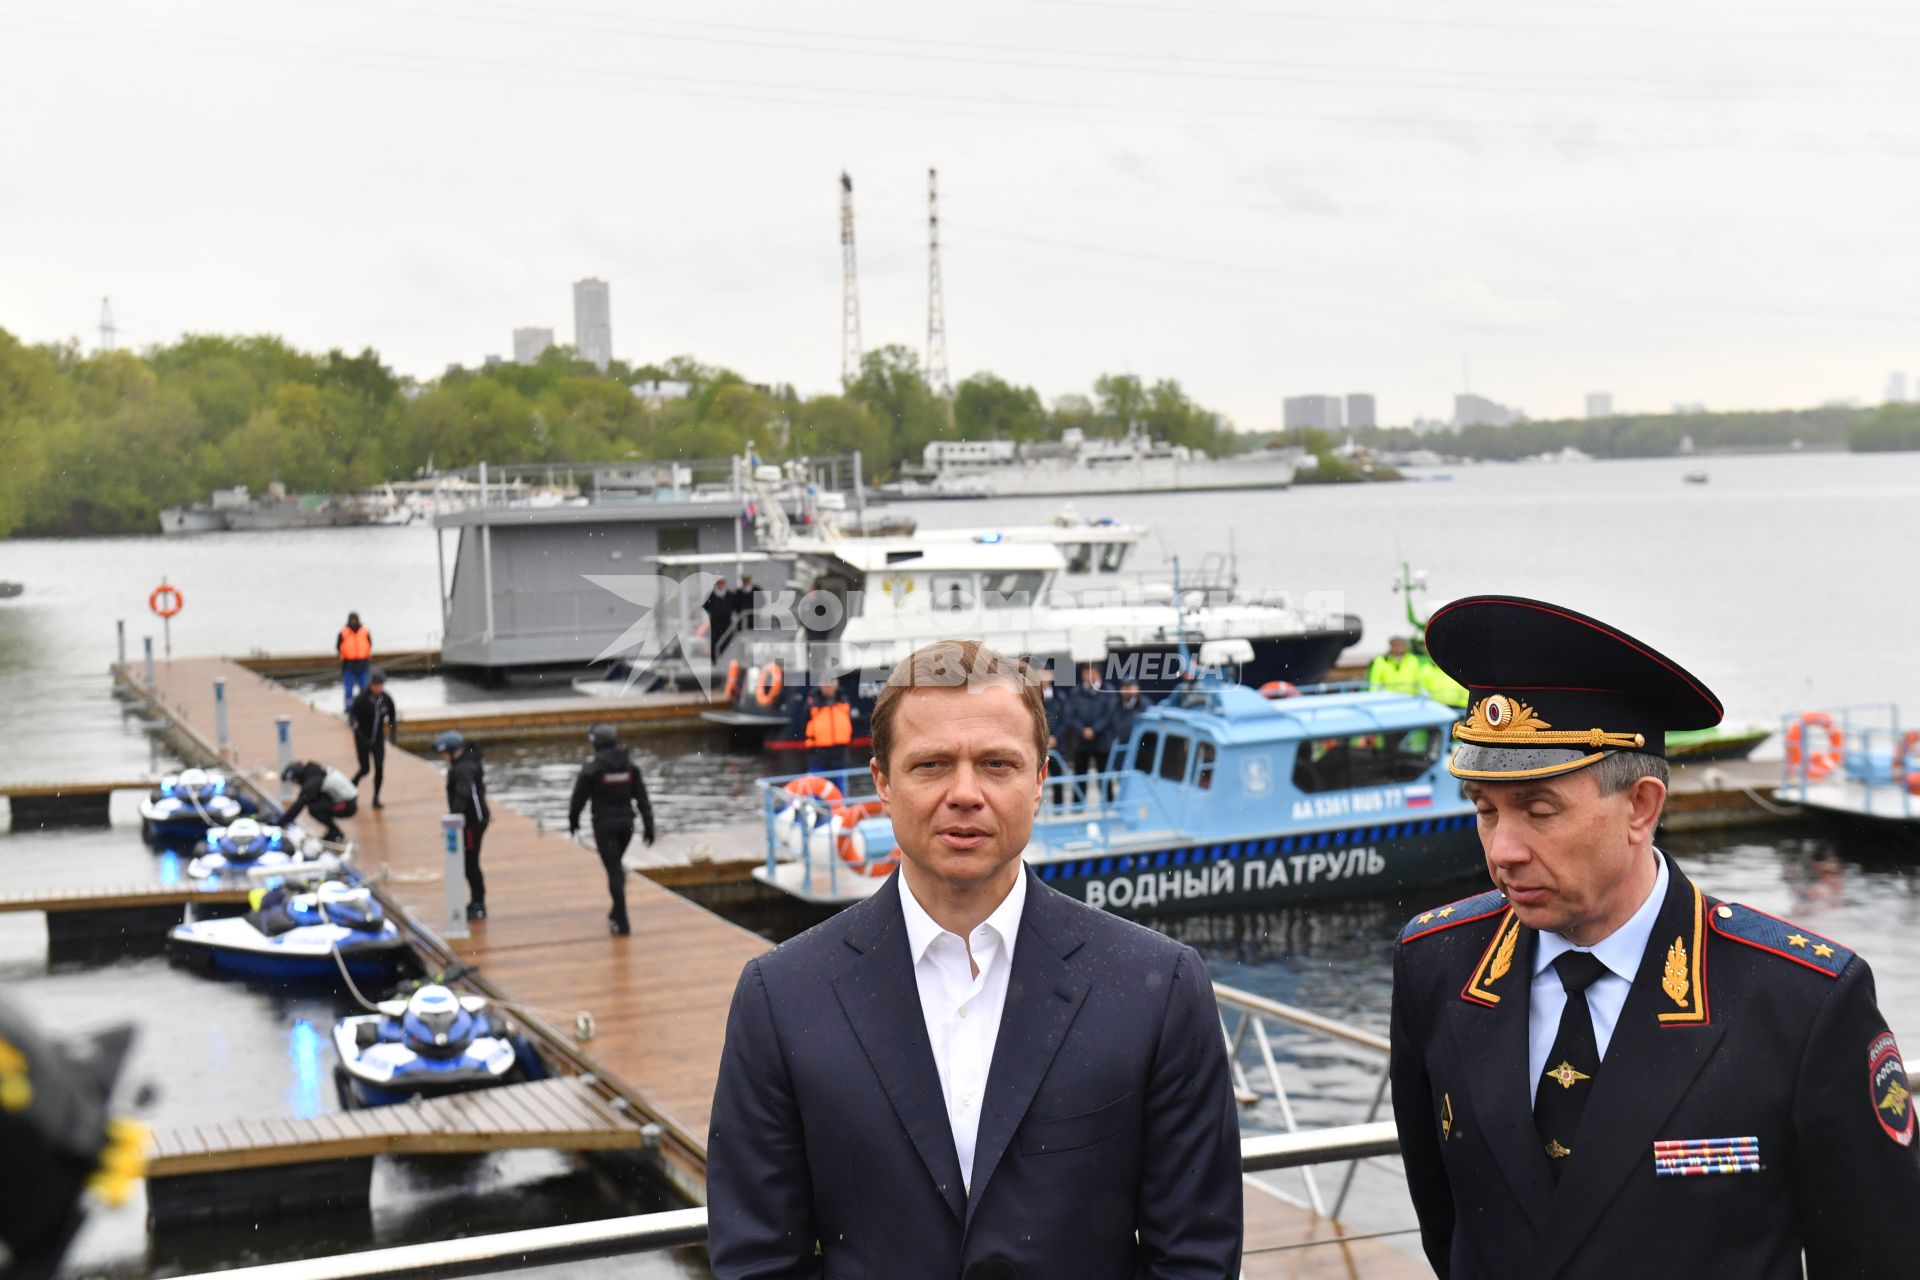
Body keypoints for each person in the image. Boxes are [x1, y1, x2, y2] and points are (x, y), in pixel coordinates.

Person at [1390, 595, 1919, 1279]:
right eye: (1485, 811)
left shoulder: (1799, 1003)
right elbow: (1449, 1226)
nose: (1505, 851)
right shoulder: (1436, 964)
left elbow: (1881, 1256)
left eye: (1539, 810)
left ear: (1641, 806)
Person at [707, 639, 1243, 1279]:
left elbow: (1195, 1257)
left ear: (1041, 779)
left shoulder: (1159, 989)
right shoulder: (780, 999)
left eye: (997, 764)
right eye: (931, 765)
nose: (965, 793)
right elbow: (759, 1261)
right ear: (881, 781)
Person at [568, 723, 655, 936]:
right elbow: (643, 799)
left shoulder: (592, 769)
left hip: (604, 827)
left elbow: (577, 800)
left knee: (614, 871)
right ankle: (616, 912)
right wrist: (649, 826)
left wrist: (573, 822)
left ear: (595, 744)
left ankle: (622, 923)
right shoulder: (630, 768)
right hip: (627, 826)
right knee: (615, 868)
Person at [434, 730, 490, 921]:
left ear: (452, 751)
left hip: (472, 823)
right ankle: (476, 901)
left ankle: (479, 904)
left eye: (444, 754)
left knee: (470, 863)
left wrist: (453, 819)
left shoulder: (463, 768)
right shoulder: (465, 763)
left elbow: (464, 795)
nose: (443, 758)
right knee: (469, 862)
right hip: (470, 820)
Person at [1063, 662, 1116, 803]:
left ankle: (1109, 805)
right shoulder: (1076, 692)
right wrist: (1082, 730)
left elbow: (1109, 715)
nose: (1088, 676)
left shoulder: (1108, 690)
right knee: (1080, 775)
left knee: (1104, 775)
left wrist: (1095, 730)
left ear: (1099, 674)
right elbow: (1070, 715)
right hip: (1081, 742)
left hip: (1102, 742)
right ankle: (1078, 806)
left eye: (1091, 672)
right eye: (1085, 673)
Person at [347, 667, 398, 809]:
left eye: (380, 685)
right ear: (371, 684)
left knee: (380, 767)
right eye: (375, 685)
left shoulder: (386, 699)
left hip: (378, 740)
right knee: (365, 769)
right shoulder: (362, 698)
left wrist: (393, 733)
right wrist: (359, 734)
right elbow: (352, 719)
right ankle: (350, 789)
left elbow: (392, 718)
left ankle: (376, 798)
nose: (378, 688)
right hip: (362, 738)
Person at [279, 760, 356, 842]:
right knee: (314, 801)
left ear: (297, 776)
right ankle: (333, 831)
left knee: (314, 808)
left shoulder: (311, 783)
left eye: (293, 781)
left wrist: (279, 824)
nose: (294, 783)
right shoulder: (313, 772)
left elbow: (297, 807)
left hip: (347, 805)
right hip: (347, 800)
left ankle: (335, 833)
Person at [802, 676, 854, 775]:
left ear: (836, 685)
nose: (828, 687)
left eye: (831, 684)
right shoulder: (812, 703)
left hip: (840, 753)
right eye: (826, 684)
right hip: (818, 754)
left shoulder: (843, 701)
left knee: (839, 785)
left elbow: (849, 722)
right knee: (816, 785)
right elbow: (804, 723)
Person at [337, 611, 373, 712]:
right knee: (348, 690)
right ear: (348, 621)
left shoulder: (365, 632)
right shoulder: (343, 633)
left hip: (363, 665)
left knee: (365, 689)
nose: (353, 622)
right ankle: (349, 709)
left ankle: (365, 707)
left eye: (355, 619)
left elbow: (369, 644)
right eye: (351, 620)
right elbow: (338, 647)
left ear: (358, 620)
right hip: (349, 666)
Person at [703, 578, 733, 658]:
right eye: (719, 583)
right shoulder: (711, 596)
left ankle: (726, 658)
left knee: (727, 641)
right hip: (715, 624)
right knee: (714, 642)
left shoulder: (730, 595)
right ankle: (715, 659)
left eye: (722, 583)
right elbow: (705, 607)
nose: (720, 585)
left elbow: (735, 606)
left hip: (727, 623)